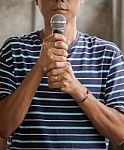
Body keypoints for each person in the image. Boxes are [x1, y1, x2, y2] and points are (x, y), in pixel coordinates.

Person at [0, 0, 124, 149]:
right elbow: (3, 127)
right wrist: (40, 67)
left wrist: (77, 89)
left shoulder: (108, 54)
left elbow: (120, 133)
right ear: (36, 1)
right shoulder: (13, 50)